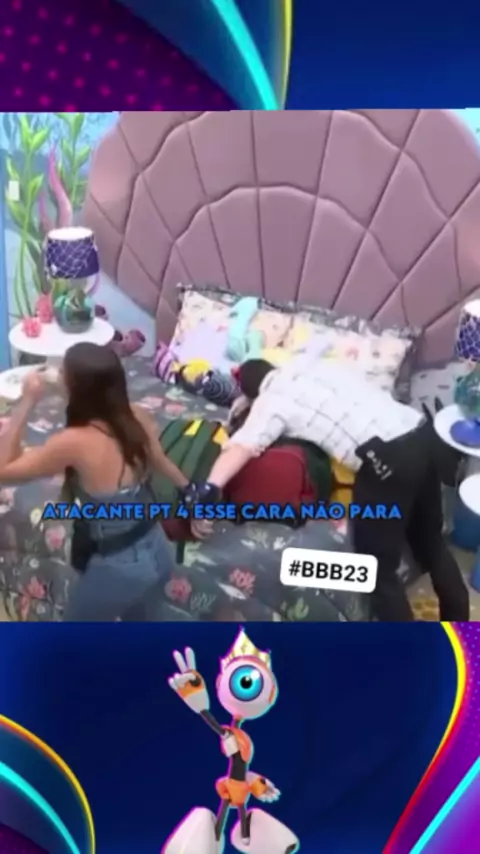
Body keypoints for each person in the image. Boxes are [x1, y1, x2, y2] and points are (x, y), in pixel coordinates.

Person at [190, 355, 469, 623]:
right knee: (431, 541)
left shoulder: (271, 401)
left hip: (386, 459)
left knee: (377, 569)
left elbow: (242, 446)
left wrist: (209, 489)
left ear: (251, 394)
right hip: (420, 432)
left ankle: (412, 650)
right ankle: (460, 627)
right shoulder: (314, 364)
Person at [0, 342, 189, 621]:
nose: (57, 374)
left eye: (63, 372)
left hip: (120, 565)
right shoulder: (134, 414)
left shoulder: (74, 442)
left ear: (78, 389)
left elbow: (3, 469)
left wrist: (27, 400)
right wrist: (191, 492)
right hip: (158, 547)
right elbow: (160, 461)